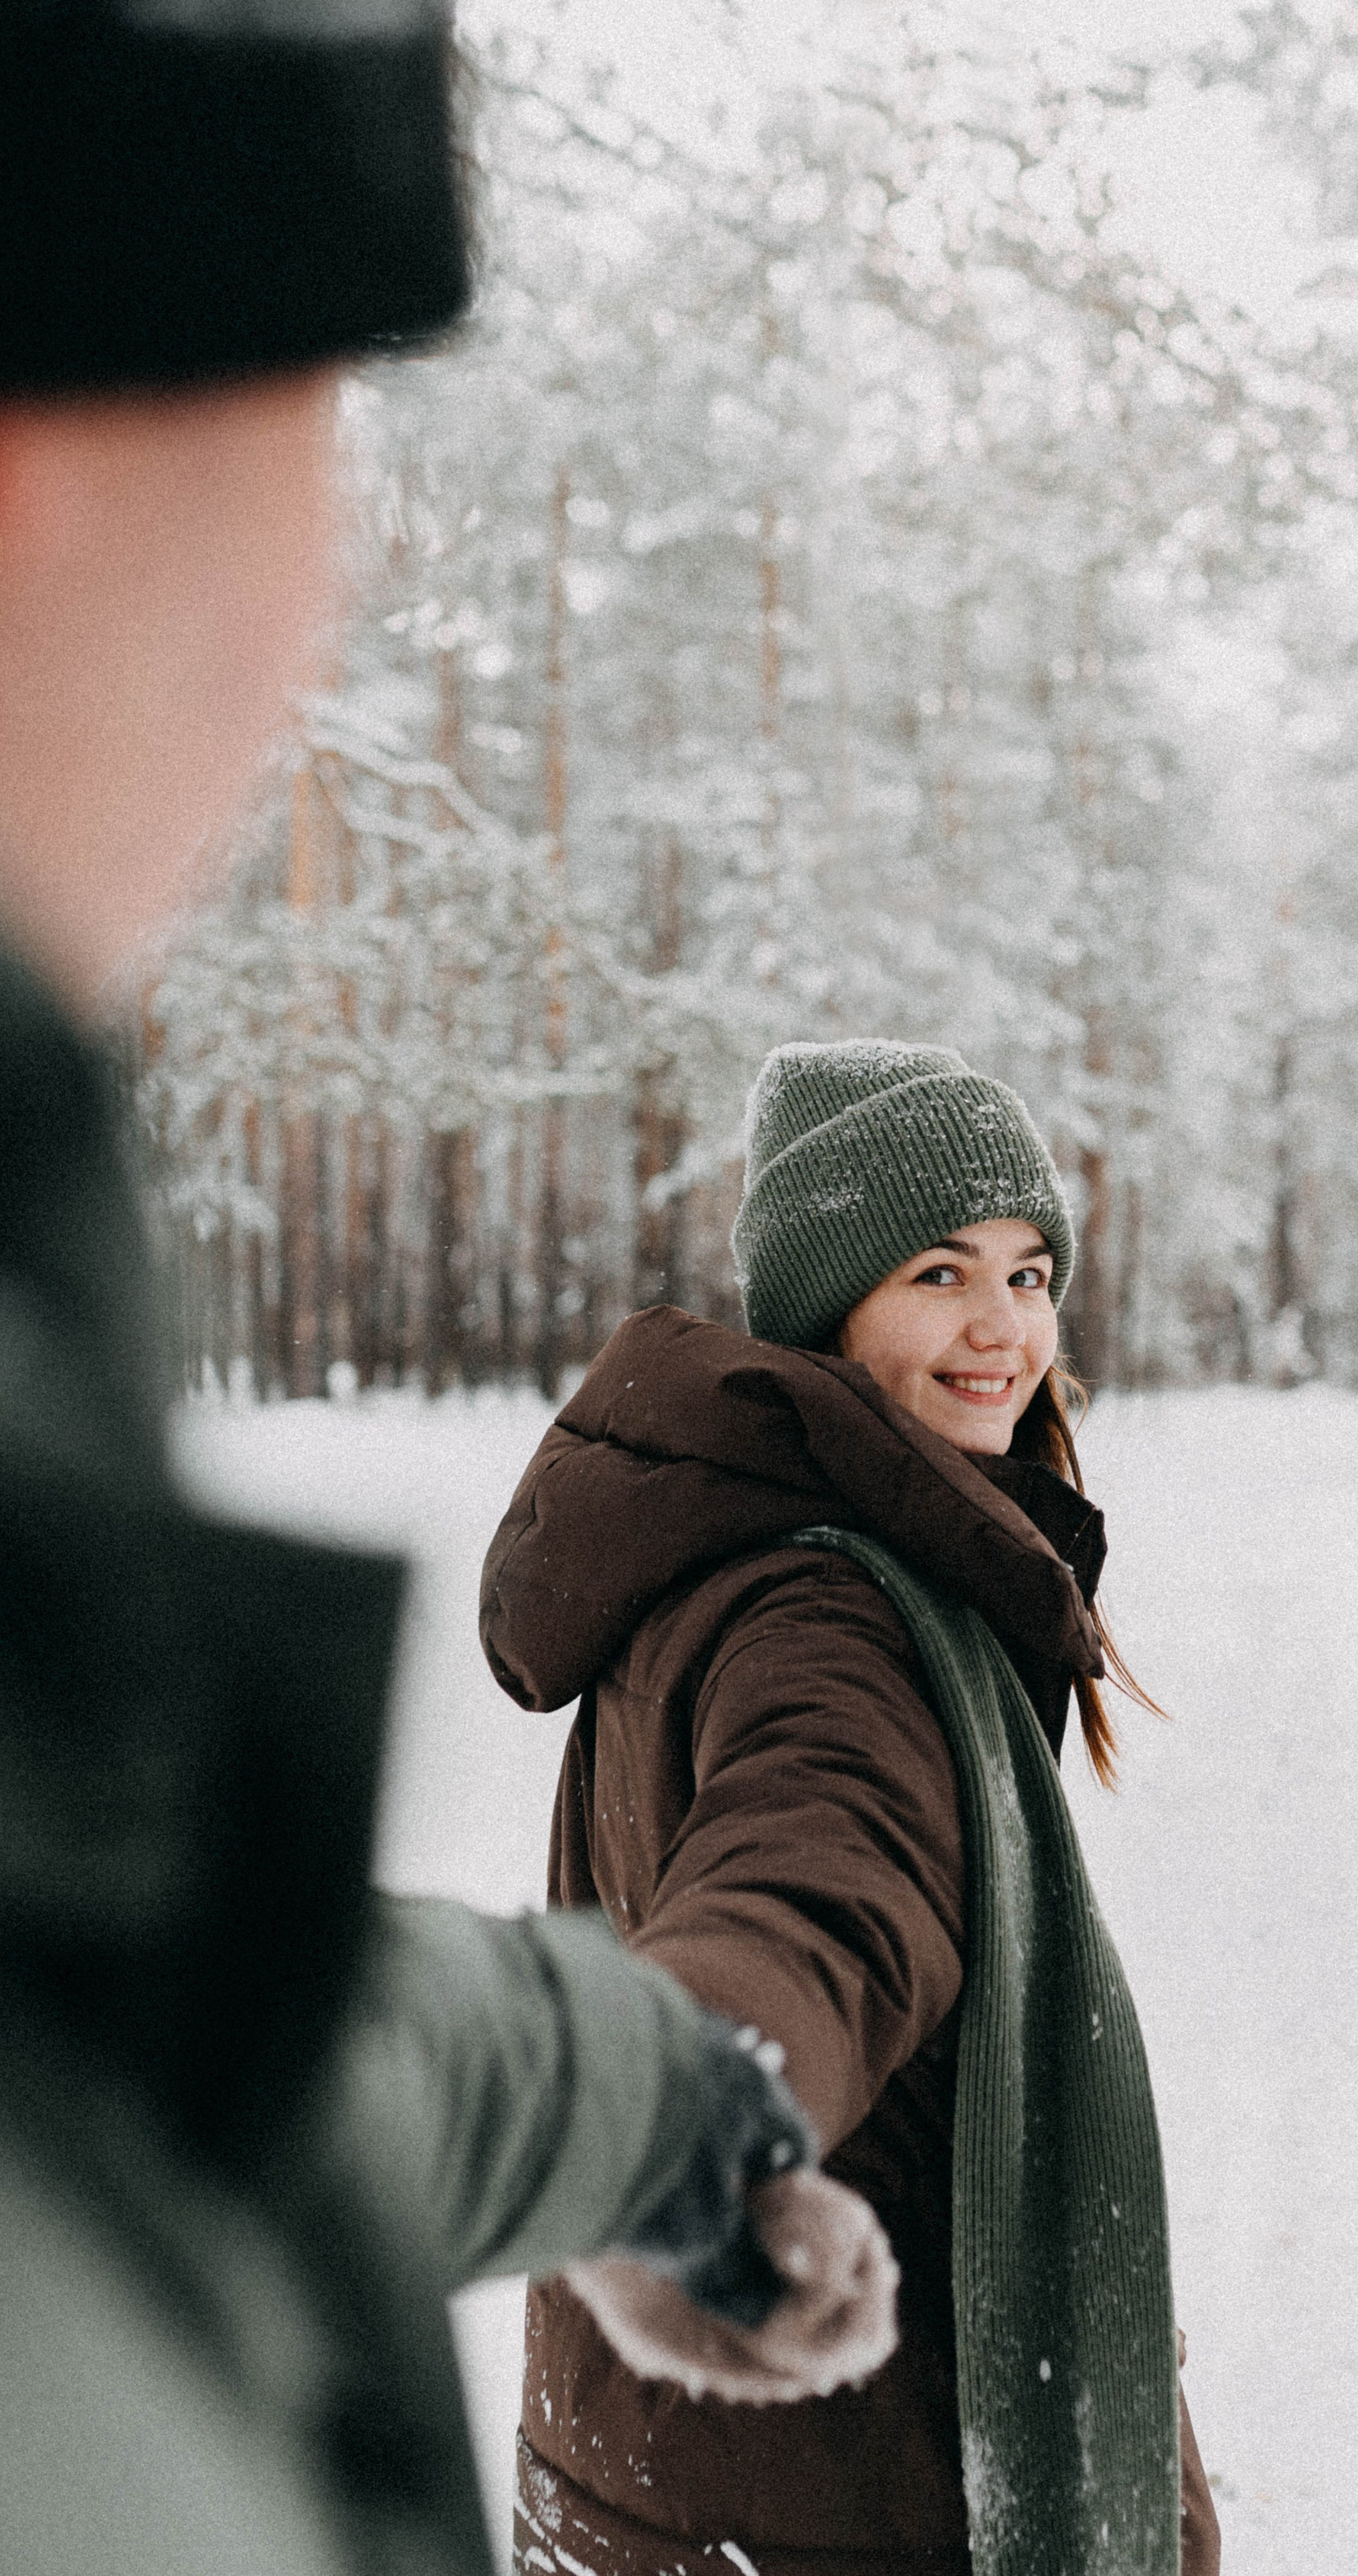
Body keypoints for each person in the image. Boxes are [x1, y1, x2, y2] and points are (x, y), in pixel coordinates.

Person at [0, 11, 893, 2573]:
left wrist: (657, 2099)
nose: (338, 552)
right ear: (57, 450)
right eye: (326, 394)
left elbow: (170, 2075)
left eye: (1028, 1268)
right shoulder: (816, 1581)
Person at [482, 1039, 1223, 2576]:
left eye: (1029, 1275)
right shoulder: (827, 1608)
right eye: (938, 1274)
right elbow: (820, 1876)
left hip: (671, 2461)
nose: (1001, 1329)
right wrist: (695, 2101)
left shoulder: (726, 1525)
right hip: (833, 2489)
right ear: (827, 1308)